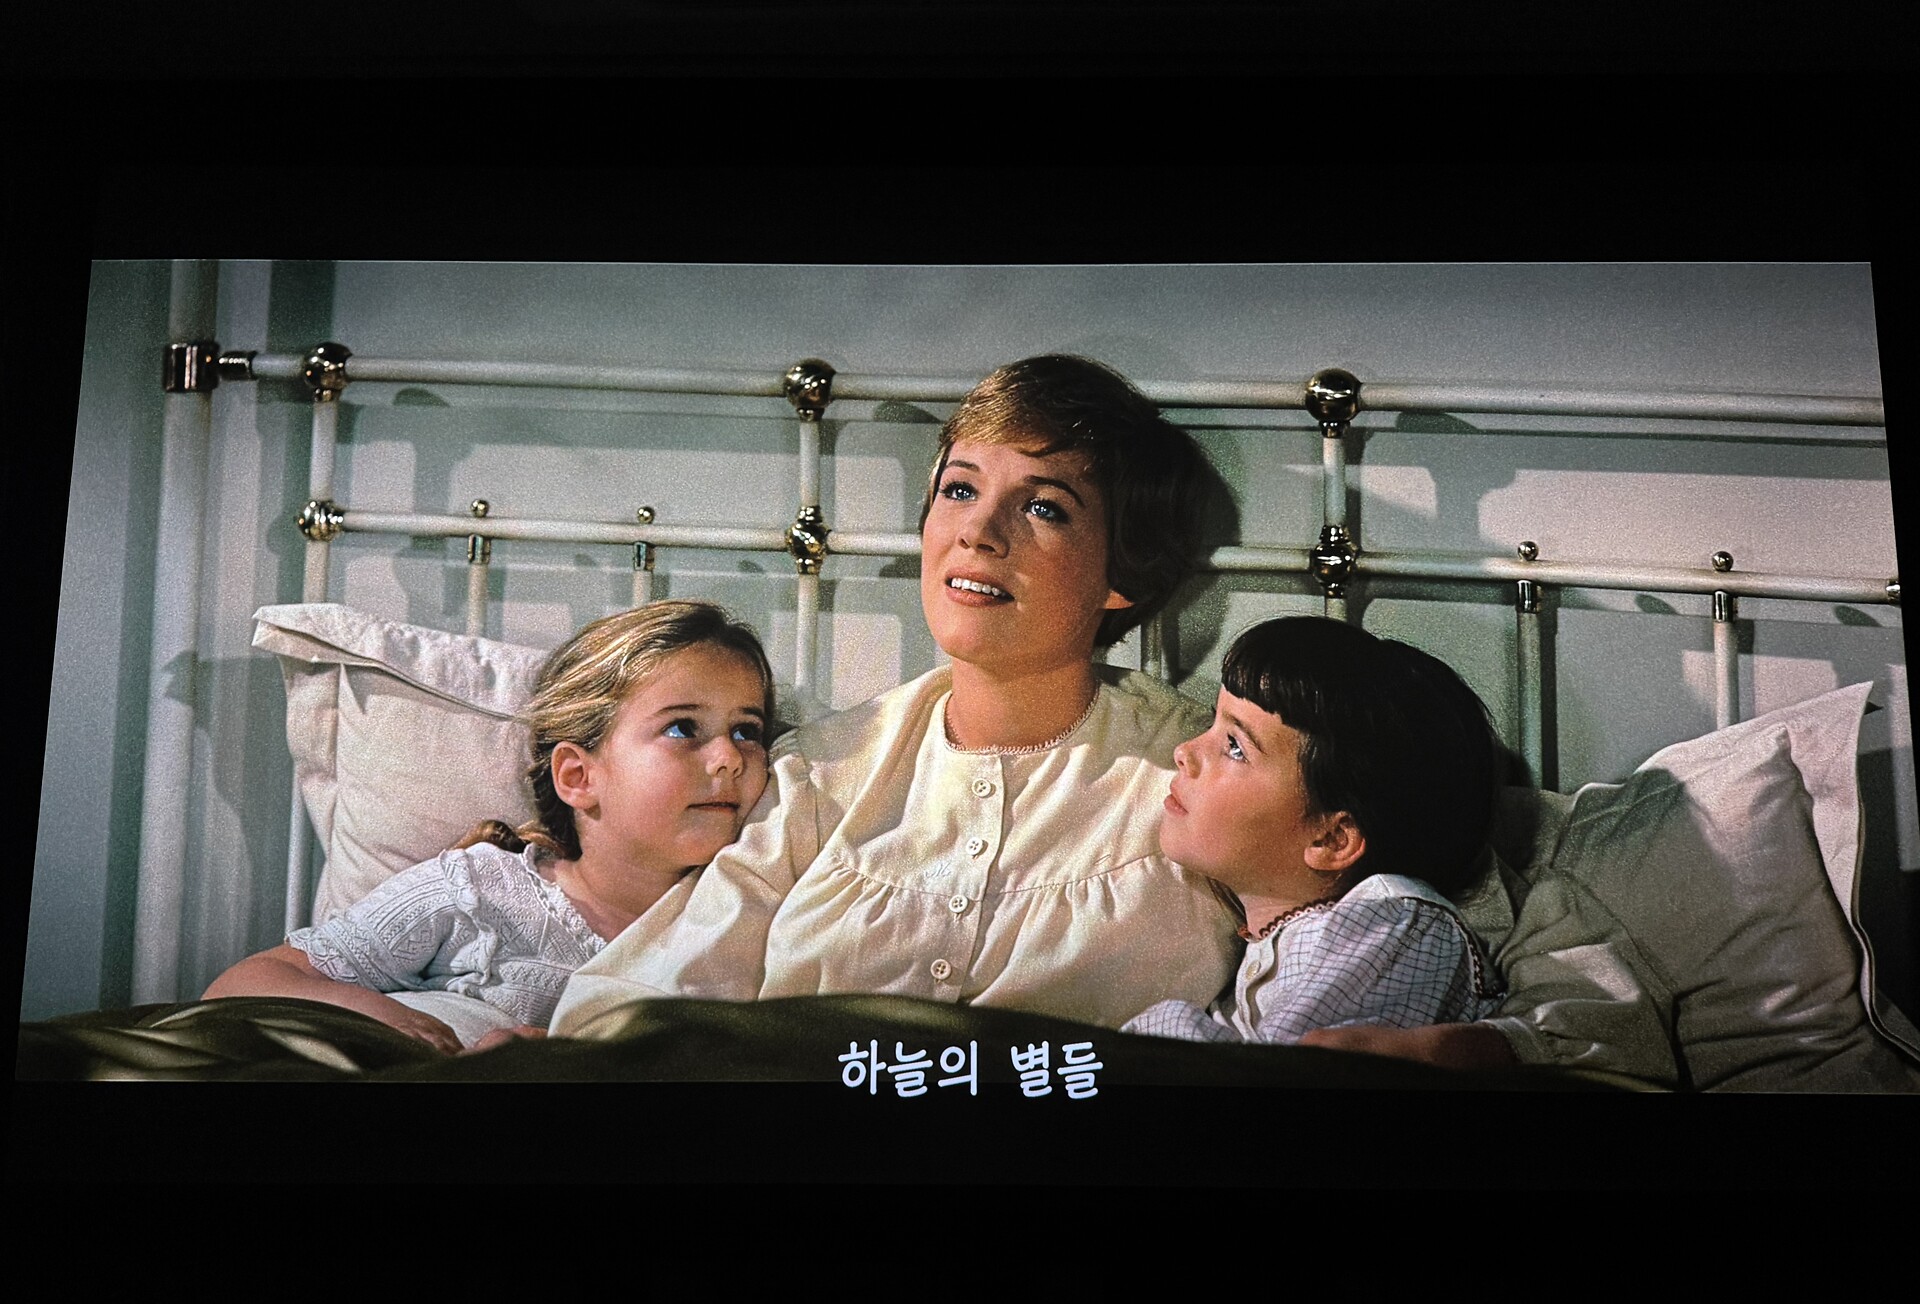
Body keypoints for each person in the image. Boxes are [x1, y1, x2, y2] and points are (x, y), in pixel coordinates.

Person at [551, 355, 1242, 1035]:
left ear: (1122, 572)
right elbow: (641, 1008)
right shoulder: (821, 774)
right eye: (960, 490)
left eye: (1043, 507)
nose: (977, 532)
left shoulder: (1203, 775)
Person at [203, 600, 776, 1053]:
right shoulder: (479, 893)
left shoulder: (747, 910)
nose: (729, 758)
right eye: (682, 728)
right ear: (578, 776)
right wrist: (391, 1019)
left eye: (747, 731)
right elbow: (247, 983)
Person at [1124, 616, 1505, 1045]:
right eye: (1214, 723)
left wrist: (1165, 1028)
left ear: (1331, 839)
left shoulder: (1394, 921)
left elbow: (1289, 1074)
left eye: (1235, 747)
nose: (1184, 752)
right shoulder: (1281, 943)